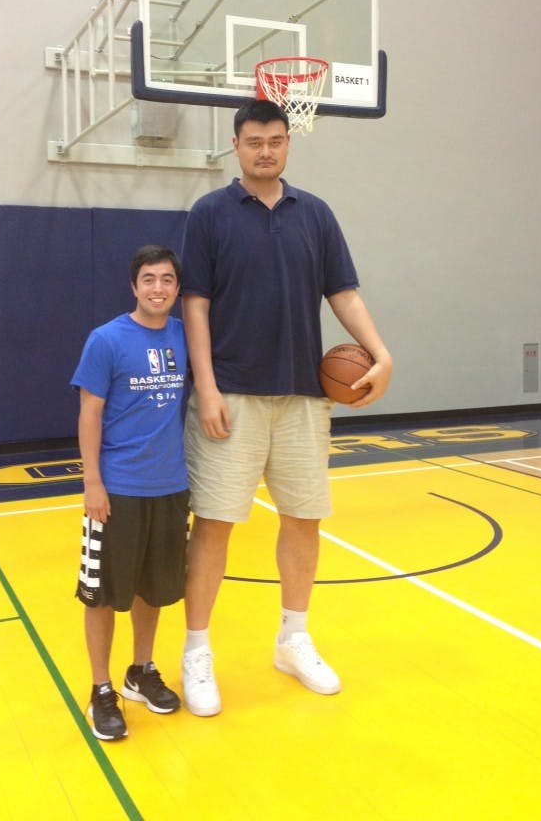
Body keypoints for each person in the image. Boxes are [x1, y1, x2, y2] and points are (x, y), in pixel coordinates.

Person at [180, 99, 393, 717]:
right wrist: (208, 386)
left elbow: (343, 292)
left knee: (303, 519)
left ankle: (292, 639)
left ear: (288, 144)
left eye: (275, 140)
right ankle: (198, 652)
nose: (265, 150)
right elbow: (195, 304)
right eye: (254, 141)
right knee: (215, 525)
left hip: (304, 395)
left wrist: (380, 352)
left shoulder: (316, 215)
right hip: (234, 396)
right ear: (236, 144)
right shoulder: (210, 214)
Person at [72, 245, 189, 740]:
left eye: (166, 279)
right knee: (100, 596)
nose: (158, 288)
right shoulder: (106, 340)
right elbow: (89, 413)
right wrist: (93, 482)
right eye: (148, 279)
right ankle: (102, 689)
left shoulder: (186, 335)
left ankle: (140, 670)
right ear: (133, 286)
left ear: (177, 288)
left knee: (154, 589)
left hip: (171, 487)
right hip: (117, 490)